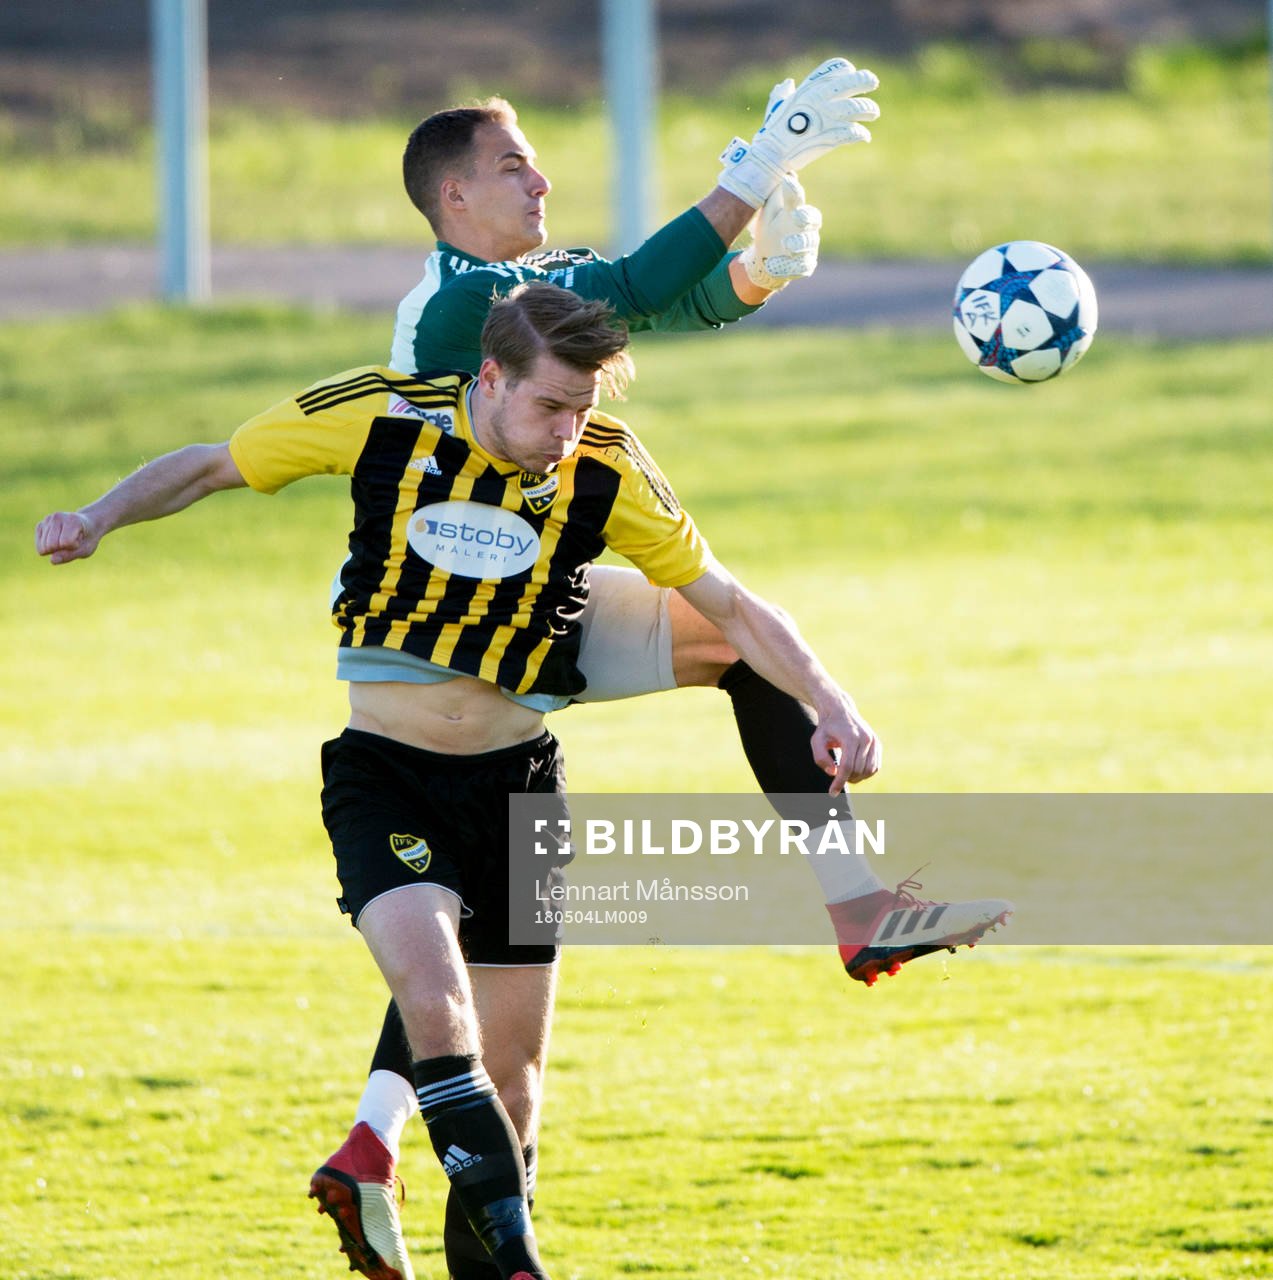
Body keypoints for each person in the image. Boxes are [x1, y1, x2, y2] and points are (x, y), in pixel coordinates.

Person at [36, 285, 1011, 1280]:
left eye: (581, 409)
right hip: (391, 772)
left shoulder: (603, 465)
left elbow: (730, 601)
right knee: (441, 1015)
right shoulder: (384, 415)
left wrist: (831, 697)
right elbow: (211, 464)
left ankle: (855, 902)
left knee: (516, 1087)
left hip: (520, 772)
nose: (566, 431)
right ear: (491, 377)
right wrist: (99, 516)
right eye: (550, 406)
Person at [313, 59, 1010, 1280]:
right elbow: (634, 286)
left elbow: (658, 305)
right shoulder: (458, 306)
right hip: (449, 630)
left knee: (738, 645)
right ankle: (377, 1140)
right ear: (453, 197)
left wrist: (752, 271)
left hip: (535, 602)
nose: (540, 179)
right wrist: (753, 166)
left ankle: (855, 905)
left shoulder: (524, 287)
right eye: (512, 165)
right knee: (464, 919)